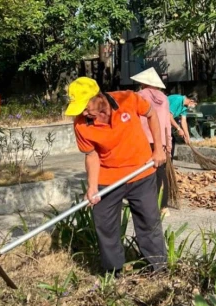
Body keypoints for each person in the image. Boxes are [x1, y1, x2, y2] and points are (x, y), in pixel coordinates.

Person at [64, 76, 167, 275]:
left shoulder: (128, 99)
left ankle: (157, 268)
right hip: (108, 178)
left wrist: (159, 149)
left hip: (141, 170)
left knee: (148, 221)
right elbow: (92, 155)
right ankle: (113, 272)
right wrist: (92, 187)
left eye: (86, 107)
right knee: (105, 225)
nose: (83, 113)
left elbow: (152, 115)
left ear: (98, 97)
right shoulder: (81, 125)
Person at [131, 67, 171, 217]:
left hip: (143, 139)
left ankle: (146, 204)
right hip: (160, 140)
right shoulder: (164, 98)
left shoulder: (138, 96)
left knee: (143, 173)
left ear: (142, 83)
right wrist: (168, 144)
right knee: (161, 173)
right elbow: (167, 123)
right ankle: (164, 206)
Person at [167, 94, 197, 158]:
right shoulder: (178, 100)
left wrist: (187, 136)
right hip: (160, 120)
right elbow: (169, 117)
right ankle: (165, 164)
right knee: (168, 142)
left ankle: (169, 165)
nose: (194, 106)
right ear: (191, 101)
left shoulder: (185, 106)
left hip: (166, 122)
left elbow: (183, 121)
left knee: (172, 141)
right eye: (195, 104)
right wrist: (179, 129)